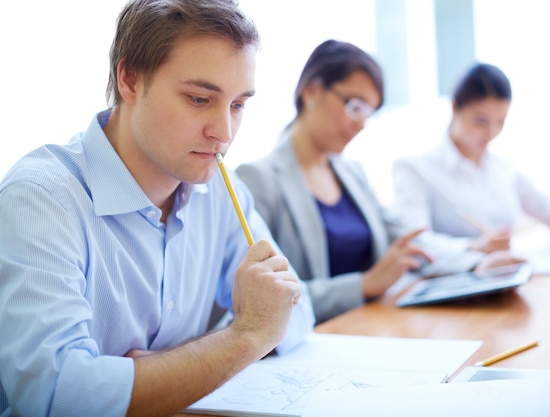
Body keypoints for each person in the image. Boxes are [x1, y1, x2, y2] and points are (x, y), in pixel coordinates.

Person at [0, 1, 315, 416]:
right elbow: (59, 396)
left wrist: (178, 362)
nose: (223, 133)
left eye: (238, 105)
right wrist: (243, 337)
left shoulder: (223, 190)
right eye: (200, 98)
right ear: (129, 79)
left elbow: (294, 309)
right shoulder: (40, 198)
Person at [236, 40, 523, 324]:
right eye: (355, 106)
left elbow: (407, 240)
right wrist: (365, 284)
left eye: (369, 113)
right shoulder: (258, 179)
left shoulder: (352, 174)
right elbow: (267, 295)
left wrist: (476, 261)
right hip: (315, 341)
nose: (361, 123)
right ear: (311, 92)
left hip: (372, 324)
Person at [392, 62, 550, 254]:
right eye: (480, 121)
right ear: (455, 108)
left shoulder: (503, 169)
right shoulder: (415, 170)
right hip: (452, 282)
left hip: (507, 279)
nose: (491, 132)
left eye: (500, 121)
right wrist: (473, 248)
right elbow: (414, 242)